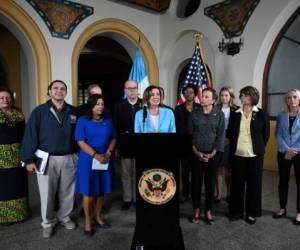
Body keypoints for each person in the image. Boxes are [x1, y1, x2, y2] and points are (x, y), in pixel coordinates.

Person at [20, 80, 78, 238]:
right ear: (49, 92)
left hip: (69, 157)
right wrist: (28, 159)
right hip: (46, 158)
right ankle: (47, 222)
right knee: (47, 193)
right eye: (55, 88)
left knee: (68, 192)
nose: (59, 91)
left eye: (62, 89)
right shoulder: (39, 112)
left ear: (66, 92)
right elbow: (30, 136)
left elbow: (81, 134)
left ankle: (64, 217)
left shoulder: (73, 111)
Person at [227, 85, 269, 224]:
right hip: (237, 154)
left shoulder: (261, 113)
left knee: (254, 185)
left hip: (255, 156)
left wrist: (258, 147)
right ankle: (236, 211)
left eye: (245, 95)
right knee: (237, 185)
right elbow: (230, 134)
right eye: (241, 95)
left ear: (253, 96)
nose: (242, 98)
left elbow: (265, 135)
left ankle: (252, 212)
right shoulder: (235, 113)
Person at [75, 94, 116, 235]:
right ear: (91, 106)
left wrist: (109, 153)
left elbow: (113, 138)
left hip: (105, 158)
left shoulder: (109, 120)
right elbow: (80, 141)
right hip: (88, 159)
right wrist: (95, 155)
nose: (100, 106)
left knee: (101, 191)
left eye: (102, 104)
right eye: (97, 104)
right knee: (89, 192)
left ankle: (98, 217)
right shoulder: (83, 121)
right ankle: (88, 220)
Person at [190, 88, 225, 225]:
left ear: (213, 100)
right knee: (196, 183)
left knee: (210, 183)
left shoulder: (219, 114)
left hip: (213, 153)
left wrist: (213, 152)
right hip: (196, 153)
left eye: (206, 96)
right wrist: (195, 151)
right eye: (202, 96)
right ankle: (196, 209)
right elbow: (190, 134)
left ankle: (209, 210)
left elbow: (221, 135)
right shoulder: (195, 113)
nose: (202, 98)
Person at [0, 87, 28, 224]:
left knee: (18, 187)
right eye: (1, 98)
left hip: (18, 156)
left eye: (7, 97)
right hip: (1, 159)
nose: (5, 100)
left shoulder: (19, 115)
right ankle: (5, 217)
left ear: (12, 99)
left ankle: (20, 214)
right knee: (3, 189)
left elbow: (25, 136)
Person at [114, 80, 143, 210]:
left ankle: (138, 198)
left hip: (140, 143)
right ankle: (127, 198)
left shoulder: (144, 104)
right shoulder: (118, 105)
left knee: (138, 172)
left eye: (134, 88)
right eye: (129, 88)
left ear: (138, 89)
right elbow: (115, 126)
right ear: (125, 91)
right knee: (126, 173)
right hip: (125, 143)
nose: (132, 91)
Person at [273, 89, 300, 225]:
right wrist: (286, 149)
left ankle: (299, 212)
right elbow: (277, 134)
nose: (292, 100)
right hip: (283, 152)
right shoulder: (281, 115)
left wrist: (295, 150)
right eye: (289, 98)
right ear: (286, 100)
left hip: (299, 153)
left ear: (299, 99)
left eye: (295, 97)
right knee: (283, 181)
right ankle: (282, 208)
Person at [175, 84, 201, 202]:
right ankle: (185, 193)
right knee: (184, 170)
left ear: (195, 94)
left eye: (191, 92)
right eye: (186, 92)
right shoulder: (179, 108)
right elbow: (176, 126)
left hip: (197, 143)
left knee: (196, 170)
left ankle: (195, 192)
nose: (189, 94)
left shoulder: (200, 108)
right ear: (183, 94)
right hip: (183, 143)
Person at [215, 87, 238, 203]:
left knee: (229, 169)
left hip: (230, 143)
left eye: (226, 95)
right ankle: (219, 194)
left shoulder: (237, 110)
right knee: (218, 169)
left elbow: (238, 128)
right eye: (222, 95)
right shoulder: (215, 109)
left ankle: (229, 193)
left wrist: (229, 138)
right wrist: (219, 139)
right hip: (217, 142)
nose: (224, 98)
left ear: (231, 97)